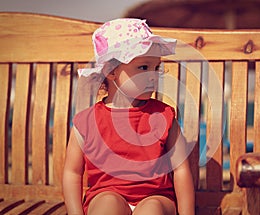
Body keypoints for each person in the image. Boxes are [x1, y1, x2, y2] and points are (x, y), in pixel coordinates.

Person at [63, 18, 195, 215]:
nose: (153, 75)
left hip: (156, 196)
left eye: (156, 68)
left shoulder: (164, 117)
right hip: (106, 194)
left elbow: (180, 170)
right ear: (110, 71)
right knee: (106, 206)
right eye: (143, 67)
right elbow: (72, 173)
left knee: (152, 210)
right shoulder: (86, 122)